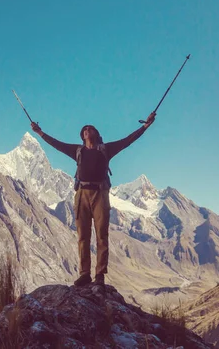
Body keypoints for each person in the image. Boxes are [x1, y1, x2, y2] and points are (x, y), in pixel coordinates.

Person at [30, 112, 156, 286]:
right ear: (82, 136)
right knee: (83, 236)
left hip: (100, 194)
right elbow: (57, 145)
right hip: (81, 193)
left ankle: (100, 275)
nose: (87, 130)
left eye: (90, 129)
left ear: (96, 134)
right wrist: (40, 133)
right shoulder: (77, 151)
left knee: (101, 235)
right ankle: (84, 274)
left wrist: (145, 126)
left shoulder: (106, 149)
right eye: (84, 130)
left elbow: (128, 140)